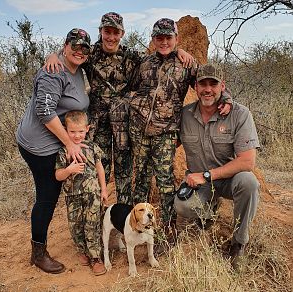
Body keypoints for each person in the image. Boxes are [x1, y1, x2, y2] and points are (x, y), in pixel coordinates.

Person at [45, 12, 194, 205]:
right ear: (101, 31)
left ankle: (124, 220)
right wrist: (52, 55)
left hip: (125, 124)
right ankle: (99, 222)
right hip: (98, 125)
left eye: (116, 32)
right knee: (100, 170)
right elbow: (72, 52)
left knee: (124, 174)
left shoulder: (131, 57)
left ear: (122, 33)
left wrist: (179, 51)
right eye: (107, 31)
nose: (111, 37)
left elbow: (160, 56)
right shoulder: (91, 54)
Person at [128, 18, 232, 246]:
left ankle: (166, 232)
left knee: (165, 182)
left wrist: (226, 99)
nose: (164, 42)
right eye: (159, 38)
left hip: (166, 134)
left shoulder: (187, 64)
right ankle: (137, 233)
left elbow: (209, 84)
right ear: (153, 39)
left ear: (177, 39)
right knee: (142, 181)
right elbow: (130, 88)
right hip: (140, 133)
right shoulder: (144, 63)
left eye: (169, 38)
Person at [16, 28, 91, 274]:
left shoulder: (77, 69)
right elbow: (45, 111)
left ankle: (39, 248)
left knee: (49, 192)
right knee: (47, 196)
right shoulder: (53, 71)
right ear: (65, 45)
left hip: (55, 141)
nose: (79, 51)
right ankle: (38, 253)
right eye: (75, 46)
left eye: (84, 48)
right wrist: (70, 144)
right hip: (38, 144)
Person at [174, 63, 260, 269]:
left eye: (213, 84)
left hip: (227, 179)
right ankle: (208, 212)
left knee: (249, 182)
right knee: (182, 205)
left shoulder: (240, 114)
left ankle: (239, 243)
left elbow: (248, 161)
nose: (208, 89)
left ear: (222, 86)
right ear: (195, 86)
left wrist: (207, 174)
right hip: (199, 183)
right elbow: (167, 143)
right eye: (203, 84)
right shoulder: (184, 114)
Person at [55, 111, 108, 275]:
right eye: (72, 132)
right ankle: (82, 250)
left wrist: (104, 189)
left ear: (87, 129)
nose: (77, 136)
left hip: (93, 194)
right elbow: (58, 176)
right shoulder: (63, 151)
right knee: (76, 225)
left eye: (80, 131)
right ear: (66, 130)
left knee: (93, 224)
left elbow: (100, 169)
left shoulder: (92, 147)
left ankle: (96, 258)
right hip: (73, 196)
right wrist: (69, 170)